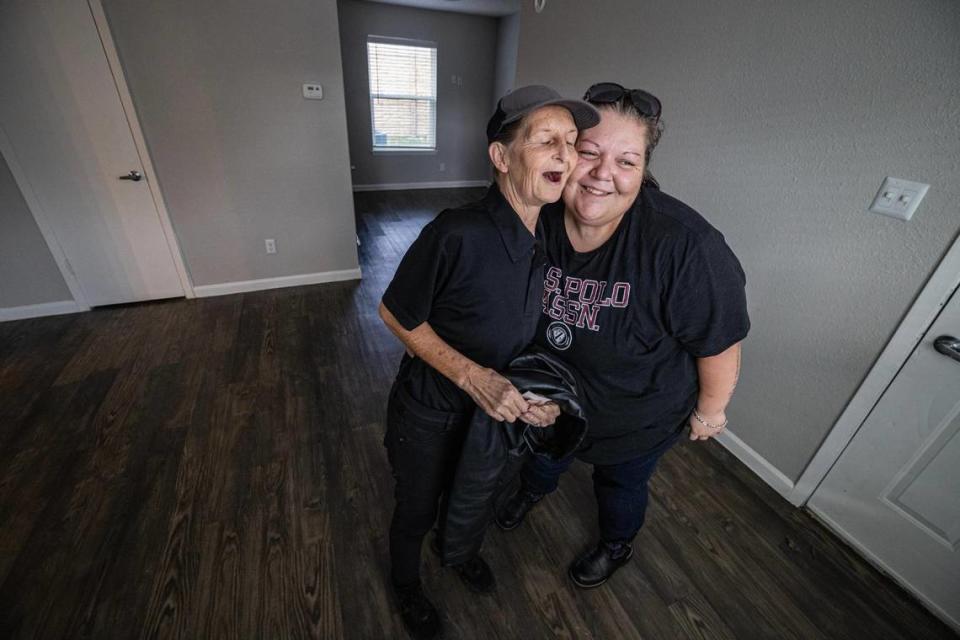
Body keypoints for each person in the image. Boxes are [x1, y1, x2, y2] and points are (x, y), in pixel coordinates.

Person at [496, 82, 750, 589]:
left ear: (643, 170)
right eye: (588, 153)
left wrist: (711, 411)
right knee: (543, 456)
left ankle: (616, 543)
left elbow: (718, 341)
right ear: (567, 156)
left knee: (621, 485)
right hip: (551, 399)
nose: (602, 175)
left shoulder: (686, 246)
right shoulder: (536, 216)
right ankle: (531, 490)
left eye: (626, 161)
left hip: (638, 413)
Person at [379, 85, 599, 639]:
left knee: (472, 494)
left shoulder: (547, 234)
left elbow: (526, 334)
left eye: (571, 142)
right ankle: (407, 584)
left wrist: (541, 395)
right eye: (546, 140)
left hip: (494, 421)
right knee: (416, 509)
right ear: (502, 158)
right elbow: (396, 314)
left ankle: (456, 552)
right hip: (431, 414)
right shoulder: (457, 231)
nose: (565, 154)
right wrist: (473, 377)